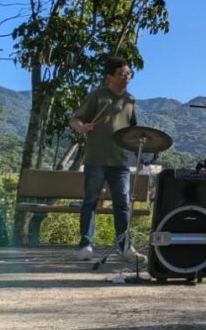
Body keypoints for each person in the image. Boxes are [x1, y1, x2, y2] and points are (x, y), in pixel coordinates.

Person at [69, 56, 145, 263]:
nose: (127, 77)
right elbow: (74, 119)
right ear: (109, 76)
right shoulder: (97, 96)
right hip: (95, 160)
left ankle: (125, 247)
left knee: (122, 205)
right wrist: (82, 127)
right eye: (123, 74)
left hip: (120, 162)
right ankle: (86, 245)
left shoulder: (130, 101)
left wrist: (141, 152)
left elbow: (134, 131)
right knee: (90, 202)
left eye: (129, 73)